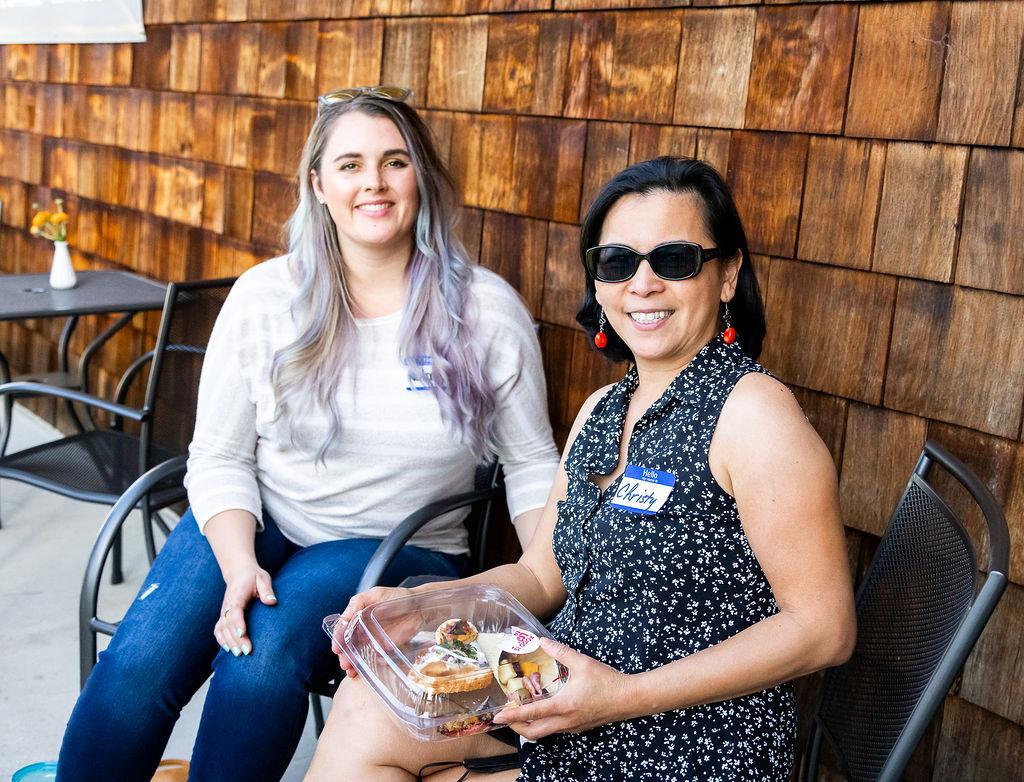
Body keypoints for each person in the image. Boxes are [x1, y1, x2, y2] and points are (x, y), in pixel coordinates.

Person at [56, 86, 560, 781]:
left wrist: (549, 580)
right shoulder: (266, 298)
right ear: (318, 184)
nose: (373, 184)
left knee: (263, 654)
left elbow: (533, 462)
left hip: (399, 549)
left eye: (395, 162)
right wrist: (238, 564)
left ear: (423, 178)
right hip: (263, 517)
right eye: (350, 165)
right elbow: (221, 456)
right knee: (141, 657)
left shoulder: (484, 311)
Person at [306, 157, 857, 782]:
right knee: (366, 705)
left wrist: (621, 695)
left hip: (684, 735)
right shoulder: (603, 409)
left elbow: (824, 628)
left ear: (728, 275)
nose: (642, 284)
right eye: (617, 262)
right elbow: (542, 575)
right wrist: (422, 604)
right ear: (597, 282)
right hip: (566, 698)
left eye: (674, 260)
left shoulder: (751, 413)